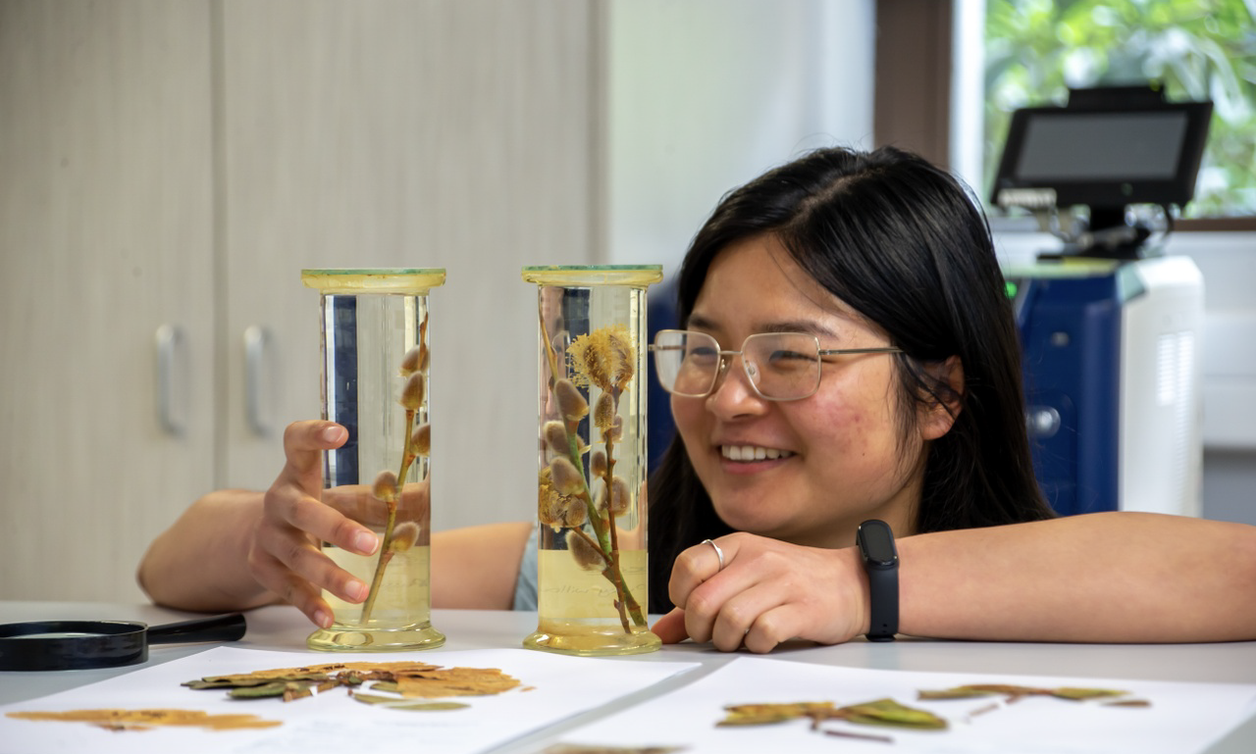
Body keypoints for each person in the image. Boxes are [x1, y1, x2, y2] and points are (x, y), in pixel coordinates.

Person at [139, 146, 1256, 652]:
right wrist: (266, 536)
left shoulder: (1024, 597)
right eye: (703, 349)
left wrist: (851, 589)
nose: (727, 399)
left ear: (939, 396)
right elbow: (167, 567)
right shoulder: (611, 570)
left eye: (791, 356)